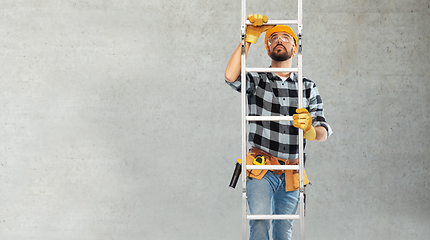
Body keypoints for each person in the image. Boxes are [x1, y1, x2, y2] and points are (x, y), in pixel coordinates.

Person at [224, 14, 333, 240]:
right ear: (268, 47)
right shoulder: (258, 80)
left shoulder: (307, 86)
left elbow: (323, 131)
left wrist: (310, 130)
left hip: (292, 171)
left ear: (295, 48)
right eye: (273, 38)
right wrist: (248, 39)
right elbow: (230, 76)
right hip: (261, 169)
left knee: (284, 231)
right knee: (260, 223)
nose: (279, 40)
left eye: (286, 37)